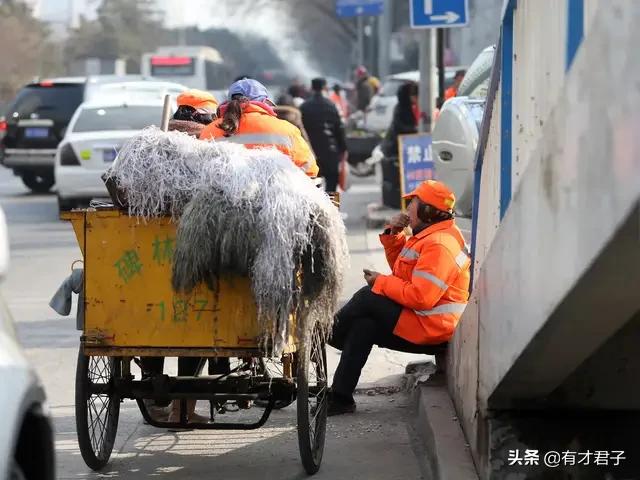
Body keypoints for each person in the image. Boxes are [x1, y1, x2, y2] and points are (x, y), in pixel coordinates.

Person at [328, 180, 471, 415]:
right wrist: (394, 235)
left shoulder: (440, 244)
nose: (407, 209)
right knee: (365, 325)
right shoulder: (431, 235)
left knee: (367, 296)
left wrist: (380, 282)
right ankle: (340, 398)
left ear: (426, 211)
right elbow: (403, 274)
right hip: (421, 321)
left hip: (432, 328)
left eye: (413, 203)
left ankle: (328, 334)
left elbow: (421, 297)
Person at [200, 78, 318, 177]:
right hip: (273, 201)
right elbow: (310, 169)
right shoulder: (285, 129)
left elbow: (202, 170)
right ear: (265, 101)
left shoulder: (208, 130)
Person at [300, 78, 348, 193]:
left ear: (312, 88)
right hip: (330, 151)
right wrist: (343, 149)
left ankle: (316, 209)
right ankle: (333, 208)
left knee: (314, 186)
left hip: (311, 152)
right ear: (325, 88)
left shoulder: (304, 107)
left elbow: (301, 130)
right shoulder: (331, 105)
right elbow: (339, 129)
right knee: (332, 184)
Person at [381, 82, 419, 158]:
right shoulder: (401, 109)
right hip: (397, 148)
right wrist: (415, 129)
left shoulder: (410, 107)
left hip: (406, 146)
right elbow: (400, 127)